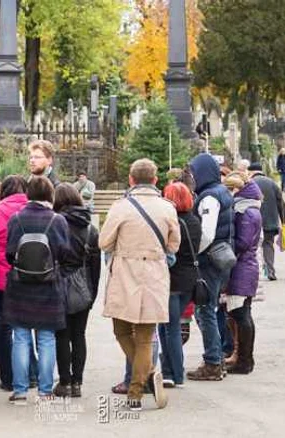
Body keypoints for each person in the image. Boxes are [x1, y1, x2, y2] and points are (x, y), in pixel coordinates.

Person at [99, 158, 178, 411]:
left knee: (121, 330)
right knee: (145, 337)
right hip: (154, 272)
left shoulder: (120, 207)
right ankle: (142, 382)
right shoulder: (167, 207)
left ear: (131, 180)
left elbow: (104, 242)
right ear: (155, 180)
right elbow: (174, 245)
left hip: (125, 273)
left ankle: (137, 386)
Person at [4, 176, 69, 404]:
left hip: (20, 286)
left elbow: (10, 253)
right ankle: (45, 391)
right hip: (49, 285)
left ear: (28, 194)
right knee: (47, 338)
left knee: (20, 338)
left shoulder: (16, 219)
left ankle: (20, 390)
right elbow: (64, 252)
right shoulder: (57, 220)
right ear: (49, 194)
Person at [187, 153, 234, 381]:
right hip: (219, 259)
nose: (193, 177)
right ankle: (217, 360)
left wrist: (194, 253)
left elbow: (207, 233)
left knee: (205, 311)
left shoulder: (209, 198)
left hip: (209, 261)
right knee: (210, 310)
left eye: (194, 172)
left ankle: (213, 363)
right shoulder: (221, 191)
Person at [51, 184, 101, 398]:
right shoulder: (90, 229)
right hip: (83, 287)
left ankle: (64, 381)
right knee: (79, 335)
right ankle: (78, 382)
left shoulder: (54, 224)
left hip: (58, 285)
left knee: (62, 335)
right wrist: (92, 294)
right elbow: (96, 267)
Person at [0, 176, 32, 392]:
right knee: (28, 328)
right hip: (32, 276)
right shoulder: (34, 209)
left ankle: (7, 378)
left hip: (2, 277)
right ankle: (31, 374)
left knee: (3, 330)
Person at [158, 182, 201, 388]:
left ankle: (173, 372)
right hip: (189, 280)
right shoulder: (194, 221)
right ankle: (171, 370)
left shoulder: (172, 222)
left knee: (169, 328)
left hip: (172, 280)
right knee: (173, 326)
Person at [222, 172, 262, 374]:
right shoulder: (248, 208)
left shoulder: (245, 211)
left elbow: (243, 243)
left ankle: (245, 361)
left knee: (241, 314)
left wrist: (224, 246)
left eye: (230, 189)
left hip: (242, 268)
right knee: (242, 314)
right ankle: (243, 358)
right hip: (246, 267)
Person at [248, 163, 285, 281]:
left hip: (253, 221)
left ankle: (255, 272)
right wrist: (284, 219)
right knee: (268, 245)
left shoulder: (249, 183)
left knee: (253, 246)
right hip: (271, 221)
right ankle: (271, 270)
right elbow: (281, 203)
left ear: (251, 172)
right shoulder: (272, 183)